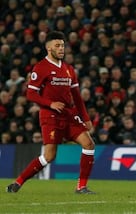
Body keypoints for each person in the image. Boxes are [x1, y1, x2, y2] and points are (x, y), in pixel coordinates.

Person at [6, 31, 96, 194]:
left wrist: (86, 117)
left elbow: (76, 96)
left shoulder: (68, 69)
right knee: (49, 156)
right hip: (50, 116)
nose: (61, 48)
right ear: (49, 48)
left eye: (62, 45)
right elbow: (31, 93)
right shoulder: (40, 68)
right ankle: (18, 182)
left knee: (89, 144)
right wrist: (50, 103)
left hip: (69, 114)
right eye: (57, 46)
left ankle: (81, 187)